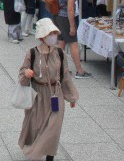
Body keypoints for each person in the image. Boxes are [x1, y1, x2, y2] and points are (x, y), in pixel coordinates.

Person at [18, 18, 79, 161]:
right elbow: (22, 75)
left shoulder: (60, 53)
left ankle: (47, 155)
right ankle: (34, 151)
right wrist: (27, 73)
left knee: (53, 127)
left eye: (54, 33)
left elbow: (65, 76)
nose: (53, 37)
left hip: (56, 94)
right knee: (37, 126)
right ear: (41, 37)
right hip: (38, 95)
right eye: (49, 33)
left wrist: (71, 97)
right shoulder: (32, 53)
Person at [54, 0, 91, 79]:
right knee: (73, 44)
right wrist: (72, 26)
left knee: (61, 42)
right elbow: (70, 9)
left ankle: (59, 70)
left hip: (57, 15)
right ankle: (79, 71)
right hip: (66, 17)